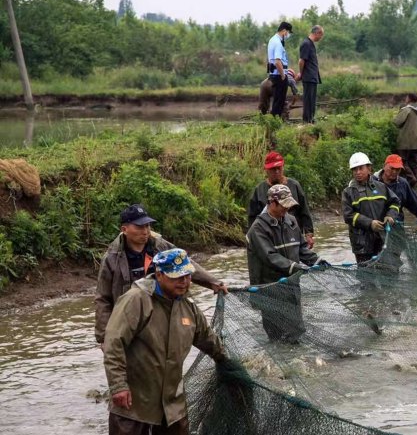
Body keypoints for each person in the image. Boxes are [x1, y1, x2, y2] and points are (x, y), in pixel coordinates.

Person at [103, 248, 227, 435]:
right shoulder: (136, 300)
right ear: (159, 275)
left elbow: (207, 339)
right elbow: (113, 343)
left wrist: (227, 361)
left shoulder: (188, 306)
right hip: (134, 402)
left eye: (187, 276)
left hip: (172, 404)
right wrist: (118, 386)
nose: (184, 282)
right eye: (177, 277)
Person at [95, 204, 227, 347]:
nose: (145, 231)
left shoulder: (159, 245)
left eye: (147, 226)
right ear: (124, 230)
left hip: (162, 311)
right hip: (130, 317)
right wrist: (104, 337)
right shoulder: (111, 258)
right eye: (139, 227)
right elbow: (103, 298)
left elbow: (185, 263)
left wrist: (212, 282)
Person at [247, 184, 327, 342]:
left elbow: (302, 249)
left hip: (291, 288)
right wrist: (297, 268)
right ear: (272, 203)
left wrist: (318, 261)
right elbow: (270, 257)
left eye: (289, 205)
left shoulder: (291, 221)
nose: (287, 209)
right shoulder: (258, 229)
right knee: (277, 336)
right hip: (270, 290)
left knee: (296, 332)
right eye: (284, 205)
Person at [342, 152, 401, 263]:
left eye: (361, 168)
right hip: (362, 245)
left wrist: (390, 215)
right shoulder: (348, 192)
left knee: (387, 272)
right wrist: (370, 223)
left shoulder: (381, 187)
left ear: (369, 168)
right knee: (366, 277)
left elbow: (395, 202)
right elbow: (348, 216)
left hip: (382, 239)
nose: (358, 172)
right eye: (354, 169)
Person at [247, 151, 315, 248]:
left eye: (279, 168)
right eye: (273, 169)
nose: (277, 172)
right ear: (266, 170)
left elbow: (304, 210)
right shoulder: (259, 191)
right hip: (270, 237)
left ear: (283, 167)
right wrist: (253, 240)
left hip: (293, 234)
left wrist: (309, 234)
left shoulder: (294, 186)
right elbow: (252, 218)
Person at [375, 154, 417, 225]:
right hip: (376, 224)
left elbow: (414, 204)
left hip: (397, 224)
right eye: (392, 168)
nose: (394, 172)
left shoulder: (403, 183)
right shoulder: (372, 182)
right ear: (384, 166)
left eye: (397, 169)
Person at [392, 93, 417, 186]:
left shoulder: (406, 110)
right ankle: (415, 179)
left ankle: (411, 178)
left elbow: (397, 122)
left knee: (402, 160)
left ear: (409, 99)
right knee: (414, 161)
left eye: (406, 97)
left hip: (406, 140)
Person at [296, 25, 324, 124]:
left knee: (312, 100)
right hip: (308, 76)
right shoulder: (306, 44)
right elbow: (301, 61)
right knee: (308, 100)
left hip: (312, 77)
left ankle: (311, 120)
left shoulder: (311, 44)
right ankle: (307, 121)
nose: (321, 38)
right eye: (321, 35)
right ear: (317, 33)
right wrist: (301, 73)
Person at [267, 21, 293, 117]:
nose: (288, 35)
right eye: (288, 32)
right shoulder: (278, 43)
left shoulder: (272, 40)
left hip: (274, 74)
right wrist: (283, 75)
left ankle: (274, 121)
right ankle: (275, 122)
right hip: (279, 75)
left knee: (277, 101)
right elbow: (277, 61)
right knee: (279, 102)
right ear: (284, 31)